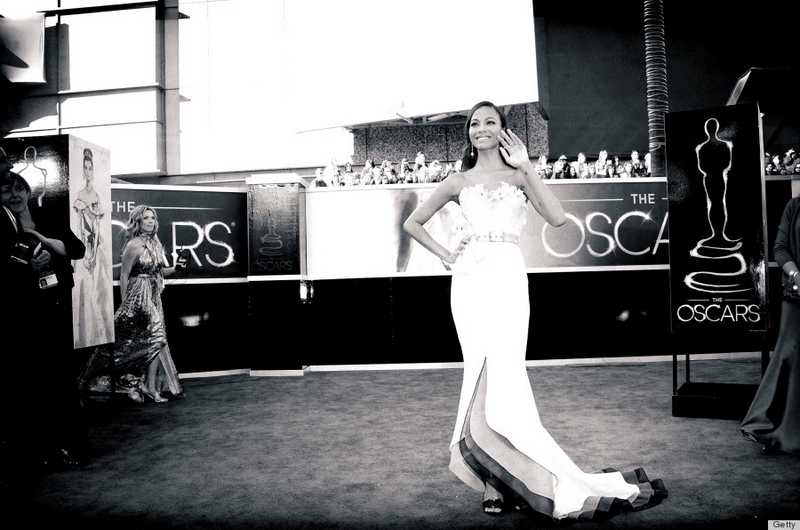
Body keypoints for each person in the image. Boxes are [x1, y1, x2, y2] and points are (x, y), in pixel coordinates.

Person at [403, 101, 667, 521]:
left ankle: (520, 473)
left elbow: (558, 218)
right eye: (475, 123)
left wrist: (527, 166)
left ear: (504, 130)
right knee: (478, 373)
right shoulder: (457, 180)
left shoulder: (519, 176)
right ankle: (493, 481)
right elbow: (412, 223)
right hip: (470, 280)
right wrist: (448, 255)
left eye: (490, 122)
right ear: (469, 132)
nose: (481, 128)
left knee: (507, 374)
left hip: (508, 274)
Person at [1, 171, 88, 480]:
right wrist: (28, 266)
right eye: (6, 190)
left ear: (27, 191)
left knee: (60, 378)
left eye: (18, 189)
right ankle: (38, 450)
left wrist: (49, 250)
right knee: (31, 382)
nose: (14, 195)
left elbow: (77, 250)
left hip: (56, 307)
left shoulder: (48, 216)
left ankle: (65, 446)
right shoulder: (3, 224)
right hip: (22, 313)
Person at [78, 205, 186, 404]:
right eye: (146, 218)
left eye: (153, 217)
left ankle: (150, 387)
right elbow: (124, 275)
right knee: (155, 338)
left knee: (155, 341)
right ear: (137, 221)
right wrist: (126, 303)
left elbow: (159, 272)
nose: (151, 221)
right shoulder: (133, 244)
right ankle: (102, 380)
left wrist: (177, 268)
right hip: (137, 296)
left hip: (153, 295)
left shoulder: (155, 244)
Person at [740, 193, 800, 454]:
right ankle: (774, 430)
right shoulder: (794, 206)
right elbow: (780, 248)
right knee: (789, 356)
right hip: (796, 295)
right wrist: (796, 275)